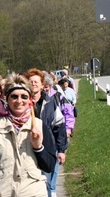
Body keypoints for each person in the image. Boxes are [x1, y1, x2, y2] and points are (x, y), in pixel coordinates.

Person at [0, 73, 57, 197]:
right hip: (3, 191)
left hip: (33, 190)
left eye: (24, 96)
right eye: (14, 97)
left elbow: (50, 165)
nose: (19, 101)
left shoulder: (39, 126)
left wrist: (38, 147)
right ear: (6, 99)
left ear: (29, 99)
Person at [25, 68, 68, 197]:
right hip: (27, 150)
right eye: (30, 81)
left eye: (36, 81)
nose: (33, 84)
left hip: (47, 148)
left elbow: (59, 126)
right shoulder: (22, 103)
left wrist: (61, 150)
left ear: (43, 84)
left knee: (47, 184)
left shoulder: (50, 103)